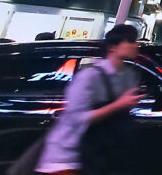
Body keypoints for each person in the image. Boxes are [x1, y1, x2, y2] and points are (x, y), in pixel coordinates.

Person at [35, 24, 142, 174]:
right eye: (130, 41)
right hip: (70, 155)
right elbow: (77, 118)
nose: (136, 45)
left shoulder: (130, 76)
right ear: (113, 47)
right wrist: (119, 104)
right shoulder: (90, 76)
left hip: (101, 153)